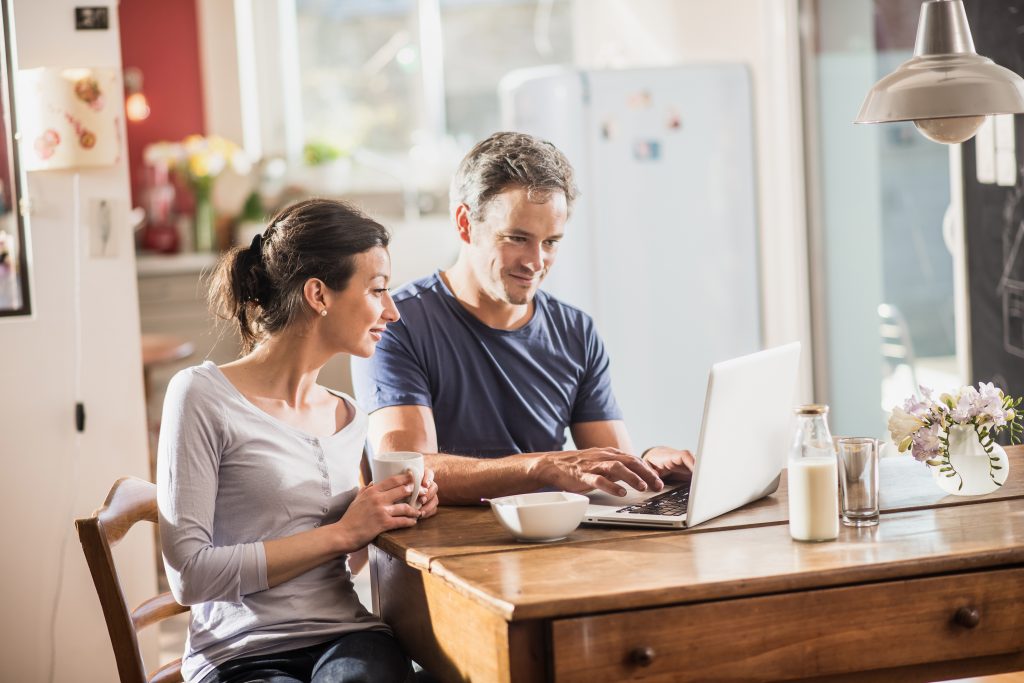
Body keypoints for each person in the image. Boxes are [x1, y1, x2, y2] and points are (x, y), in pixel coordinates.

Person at [157, 198, 438, 683]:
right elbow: (191, 577)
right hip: (239, 651)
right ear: (318, 294)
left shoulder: (350, 416)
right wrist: (343, 532)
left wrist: (390, 514)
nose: (392, 311)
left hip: (349, 638)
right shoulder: (202, 395)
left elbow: (348, 560)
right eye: (377, 291)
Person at [351, 131, 693, 505]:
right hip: (442, 553)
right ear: (465, 223)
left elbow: (607, 466)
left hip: (551, 547)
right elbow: (408, 475)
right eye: (517, 238)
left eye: (551, 242)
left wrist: (649, 465)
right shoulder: (396, 322)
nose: (535, 262)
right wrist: (541, 468)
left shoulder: (575, 331)